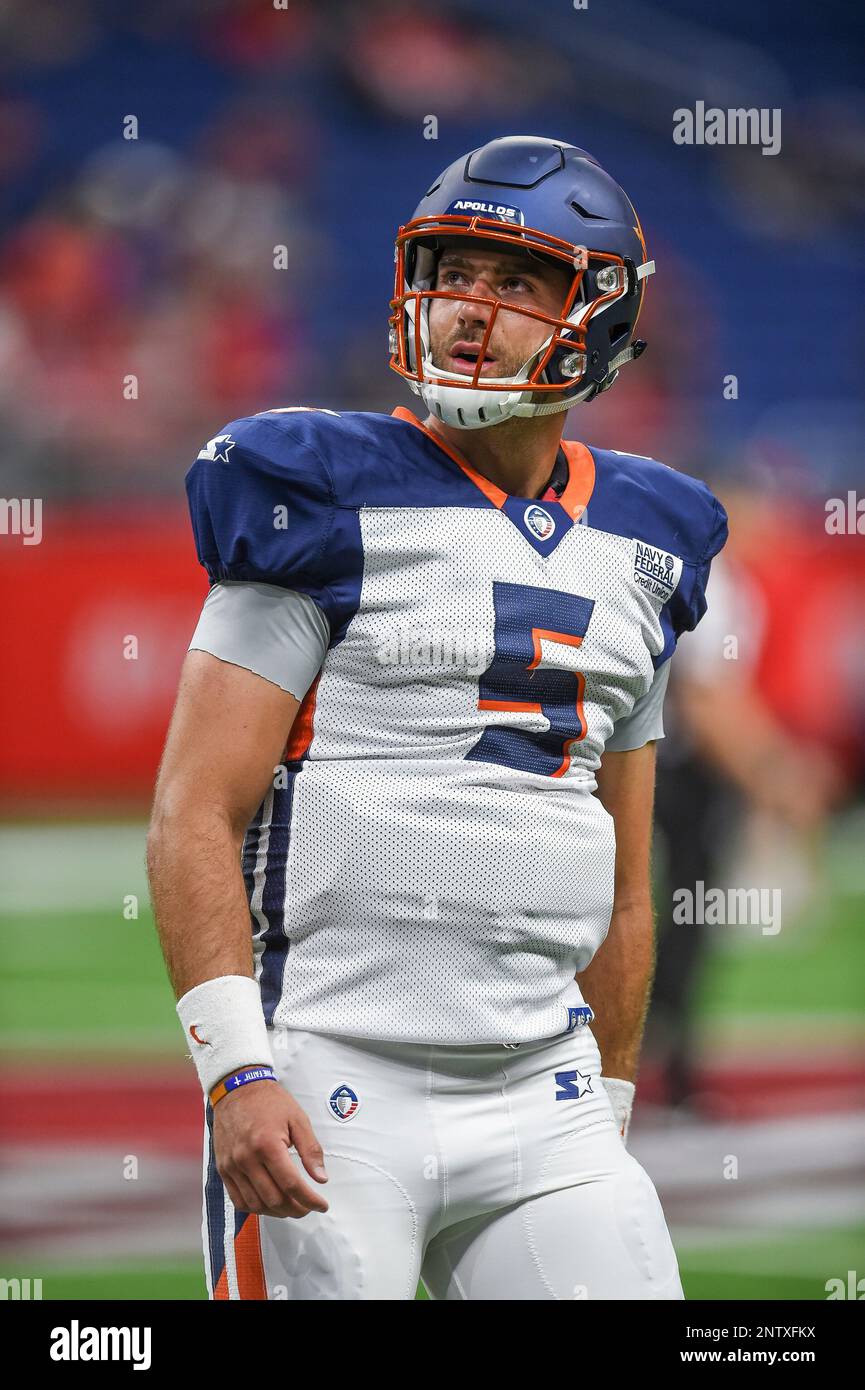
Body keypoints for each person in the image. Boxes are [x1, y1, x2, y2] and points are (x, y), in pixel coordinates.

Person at [146, 136, 728, 1300]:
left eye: (517, 281)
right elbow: (193, 811)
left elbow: (621, 872)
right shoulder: (315, 486)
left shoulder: (654, 539)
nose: (472, 309)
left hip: (544, 1092)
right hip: (329, 1076)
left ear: (598, 312)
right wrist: (235, 1071)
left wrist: (607, 1098)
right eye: (453, 272)